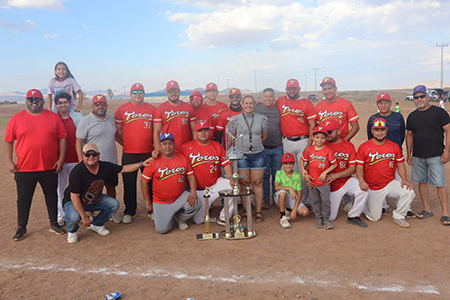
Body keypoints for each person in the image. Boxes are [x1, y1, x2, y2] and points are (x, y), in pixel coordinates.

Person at [5, 89, 67, 241]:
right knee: (24, 199)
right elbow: (8, 140)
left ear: (43, 101)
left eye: (37, 99)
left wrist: (61, 159)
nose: (34, 102)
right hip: (25, 168)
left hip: (49, 166)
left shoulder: (53, 117)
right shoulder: (16, 119)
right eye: (31, 99)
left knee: (51, 196)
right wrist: (9, 161)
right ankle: (21, 227)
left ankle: (53, 223)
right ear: (26, 101)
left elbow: (63, 139)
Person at [63, 143, 152, 243]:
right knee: (75, 216)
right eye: (87, 155)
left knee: (114, 204)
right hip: (73, 202)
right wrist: (84, 216)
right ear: (83, 156)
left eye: (94, 154)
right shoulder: (77, 172)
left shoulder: (104, 166)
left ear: (99, 155)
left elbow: (124, 169)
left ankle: (96, 224)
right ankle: (72, 231)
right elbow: (74, 197)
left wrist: (141, 164)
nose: (91, 157)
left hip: (93, 200)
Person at [356, 118, 415, 228]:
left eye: (382, 130)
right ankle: (365, 204)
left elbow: (400, 164)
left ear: (387, 130)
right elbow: (359, 167)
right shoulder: (364, 147)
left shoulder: (394, 146)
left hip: (389, 183)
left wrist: (404, 180)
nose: (380, 133)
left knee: (409, 192)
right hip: (373, 187)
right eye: (377, 130)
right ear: (372, 131)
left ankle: (398, 216)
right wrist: (361, 180)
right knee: (374, 218)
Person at [406, 85, 450, 226]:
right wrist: (409, 153)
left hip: (436, 155)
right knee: (422, 182)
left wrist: (448, 151)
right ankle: (426, 209)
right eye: (416, 97)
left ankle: (445, 213)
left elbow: (448, 131)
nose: (419, 99)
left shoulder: (439, 113)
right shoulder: (412, 116)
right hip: (418, 155)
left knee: (439, 183)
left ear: (427, 96)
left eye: (421, 96)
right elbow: (410, 135)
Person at [141, 133, 200, 234]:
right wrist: (147, 202)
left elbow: (191, 177)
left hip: (179, 197)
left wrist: (193, 191)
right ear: (160, 146)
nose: (167, 146)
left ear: (174, 145)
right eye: (164, 144)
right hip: (161, 201)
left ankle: (180, 218)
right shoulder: (153, 161)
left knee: (196, 203)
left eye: (170, 143)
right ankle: (168, 216)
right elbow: (143, 182)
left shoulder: (182, 158)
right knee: (162, 230)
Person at [114, 83, 156, 224]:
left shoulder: (152, 109)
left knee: (150, 182)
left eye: (140, 92)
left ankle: (152, 209)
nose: (137, 94)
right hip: (129, 153)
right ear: (130, 94)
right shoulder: (122, 110)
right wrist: (125, 144)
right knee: (129, 183)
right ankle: (129, 211)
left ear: (144, 94)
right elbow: (118, 132)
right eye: (134, 92)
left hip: (148, 152)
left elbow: (157, 130)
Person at [178, 121, 234, 225]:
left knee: (233, 187)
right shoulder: (186, 147)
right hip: (198, 191)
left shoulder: (216, 146)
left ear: (210, 132)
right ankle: (206, 208)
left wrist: (231, 179)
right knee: (198, 221)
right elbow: (171, 154)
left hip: (215, 185)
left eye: (206, 130)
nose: (203, 133)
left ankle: (224, 217)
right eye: (200, 131)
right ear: (196, 133)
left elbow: (226, 165)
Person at [366, 93, 411, 217]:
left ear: (390, 104)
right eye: (381, 102)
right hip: (378, 155)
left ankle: (405, 208)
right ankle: (383, 205)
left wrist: (395, 148)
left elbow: (402, 134)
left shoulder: (398, 117)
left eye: (386, 102)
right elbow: (370, 137)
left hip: (394, 153)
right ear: (377, 104)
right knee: (379, 178)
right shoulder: (372, 118)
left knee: (399, 179)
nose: (383, 105)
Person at [227, 95, 268, 223]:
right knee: (244, 183)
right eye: (246, 103)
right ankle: (246, 210)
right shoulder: (235, 119)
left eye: (251, 103)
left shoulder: (262, 119)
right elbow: (231, 134)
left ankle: (259, 211)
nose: (248, 105)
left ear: (254, 104)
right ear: (242, 104)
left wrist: (254, 145)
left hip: (258, 155)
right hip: (241, 155)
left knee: (257, 183)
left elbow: (264, 136)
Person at [323, 118, 369, 227]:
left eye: (330, 132)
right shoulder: (322, 144)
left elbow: (352, 168)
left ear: (338, 131)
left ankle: (353, 216)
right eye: (326, 132)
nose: (327, 134)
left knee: (363, 189)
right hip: (329, 186)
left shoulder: (348, 146)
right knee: (330, 217)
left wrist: (337, 175)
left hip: (344, 181)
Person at [76, 94, 118, 200]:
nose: (100, 107)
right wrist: (81, 160)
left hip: (110, 161)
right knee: (90, 189)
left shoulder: (111, 118)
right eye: (97, 104)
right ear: (92, 106)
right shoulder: (85, 121)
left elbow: (115, 135)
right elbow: (79, 141)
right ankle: (90, 214)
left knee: (111, 187)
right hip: (92, 161)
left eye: (103, 104)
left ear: (106, 106)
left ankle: (112, 212)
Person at [275, 78, 317, 173]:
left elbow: (312, 126)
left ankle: (305, 189)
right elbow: (270, 108)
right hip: (286, 142)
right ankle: (293, 188)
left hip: (303, 141)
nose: (292, 90)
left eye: (294, 88)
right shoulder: (280, 102)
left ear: (299, 89)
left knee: (304, 171)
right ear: (286, 89)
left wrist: (309, 145)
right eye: (289, 88)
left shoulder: (306, 103)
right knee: (291, 172)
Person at [301, 126, 337, 229]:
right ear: (312, 137)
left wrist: (325, 172)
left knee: (325, 201)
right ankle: (319, 218)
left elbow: (334, 164)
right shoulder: (310, 150)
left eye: (322, 138)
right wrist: (304, 171)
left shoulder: (327, 150)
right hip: (312, 181)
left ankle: (326, 219)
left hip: (323, 182)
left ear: (326, 139)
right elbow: (302, 160)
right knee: (315, 201)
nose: (319, 140)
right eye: (317, 137)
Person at [255, 87, 283, 210]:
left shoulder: (278, 109)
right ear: (262, 98)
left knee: (277, 175)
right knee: (265, 175)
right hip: (263, 148)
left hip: (277, 147)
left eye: (270, 96)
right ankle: (266, 199)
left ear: (274, 98)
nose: (268, 98)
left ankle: (276, 197)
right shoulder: (257, 108)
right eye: (266, 96)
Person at [54, 92, 79, 226]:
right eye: (60, 102)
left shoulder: (76, 118)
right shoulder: (53, 118)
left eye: (65, 102)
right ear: (56, 104)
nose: (63, 105)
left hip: (76, 158)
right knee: (61, 189)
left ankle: (79, 212)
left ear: (70, 103)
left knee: (77, 187)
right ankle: (61, 215)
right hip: (60, 161)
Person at [153, 80, 196, 150]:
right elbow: (156, 132)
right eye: (170, 91)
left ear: (179, 92)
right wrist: (157, 147)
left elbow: (194, 130)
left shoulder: (189, 108)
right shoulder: (160, 109)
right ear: (166, 93)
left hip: (186, 146)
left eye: (175, 91)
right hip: (168, 148)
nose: (173, 93)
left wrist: (195, 146)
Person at [315, 77, 359, 141]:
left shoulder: (346, 104)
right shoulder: (318, 107)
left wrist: (344, 141)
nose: (327, 91)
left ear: (335, 89)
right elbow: (318, 128)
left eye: (330, 88)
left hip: (342, 142)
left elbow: (355, 127)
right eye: (325, 89)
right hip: (325, 144)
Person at [274, 153, 309, 228]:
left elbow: (299, 195)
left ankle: (289, 211)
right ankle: (283, 216)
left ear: (293, 164)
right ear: (282, 164)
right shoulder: (279, 173)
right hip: (280, 197)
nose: (288, 166)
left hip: (292, 198)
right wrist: (290, 188)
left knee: (304, 212)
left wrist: (294, 211)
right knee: (282, 192)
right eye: (285, 163)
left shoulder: (297, 175)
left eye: (290, 163)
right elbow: (277, 187)